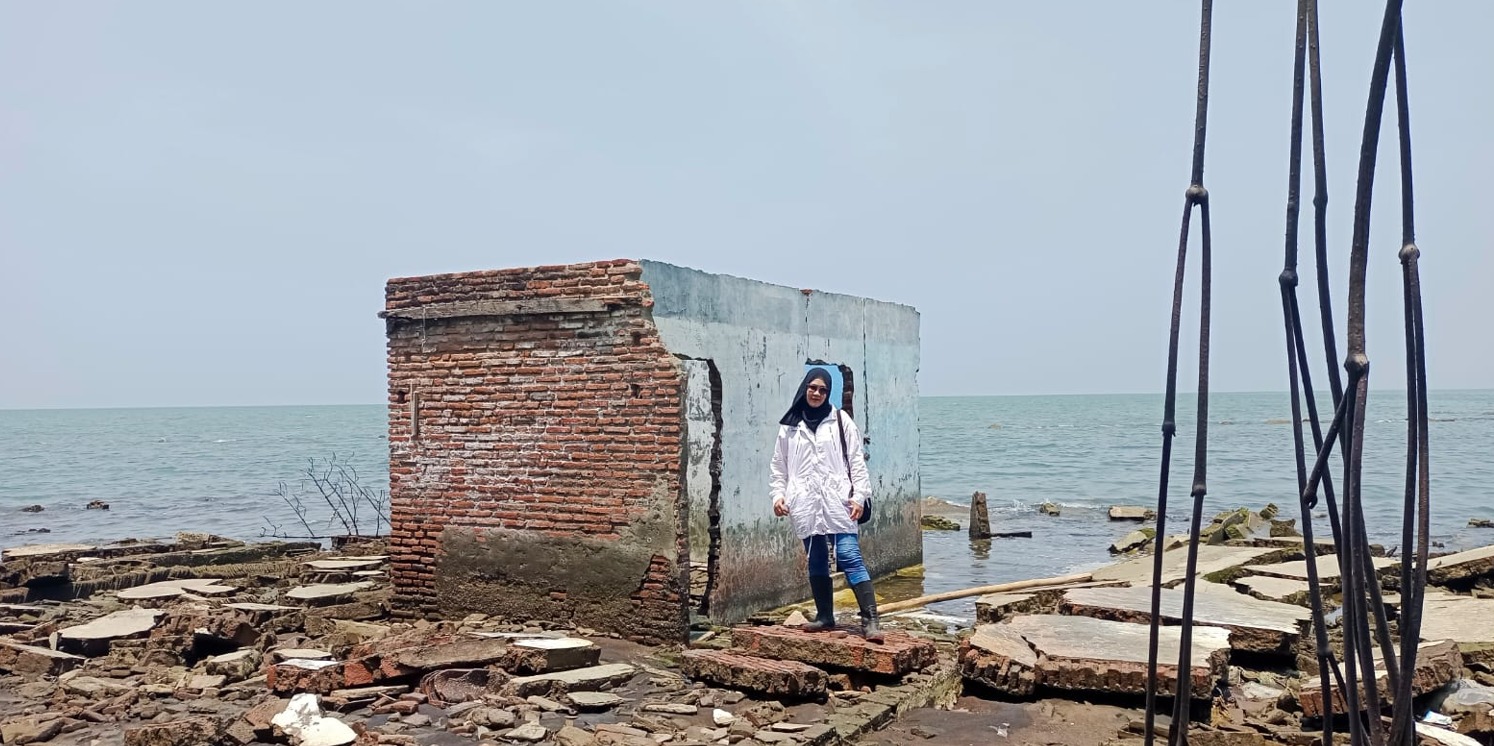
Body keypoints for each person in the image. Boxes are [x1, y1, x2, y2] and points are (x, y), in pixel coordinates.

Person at [770, 368, 883, 642]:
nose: (817, 393)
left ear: (828, 392)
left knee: (848, 555)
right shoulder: (789, 426)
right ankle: (825, 617)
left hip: (838, 500)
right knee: (816, 558)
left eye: (822, 389)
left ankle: (871, 621)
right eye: (812, 387)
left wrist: (859, 497)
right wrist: (778, 496)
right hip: (805, 502)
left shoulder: (841, 420)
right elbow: (779, 467)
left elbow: (856, 461)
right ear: (804, 388)